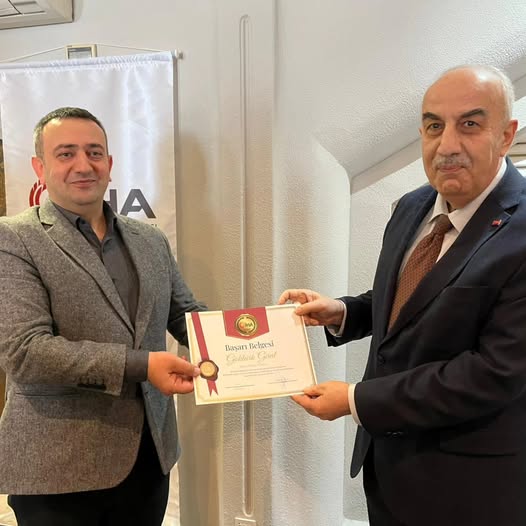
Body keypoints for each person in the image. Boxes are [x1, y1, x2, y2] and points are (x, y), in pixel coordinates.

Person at [279, 65, 526, 526]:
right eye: (433, 126)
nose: (446, 145)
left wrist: (355, 400)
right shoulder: (414, 205)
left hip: (471, 489)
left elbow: (494, 372)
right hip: (389, 474)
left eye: (469, 124)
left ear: (506, 134)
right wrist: (344, 311)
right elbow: (408, 300)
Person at [0, 107, 206, 525]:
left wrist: (262, 336)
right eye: (66, 153)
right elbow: (25, 352)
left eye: (94, 152)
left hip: (147, 458)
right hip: (58, 468)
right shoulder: (14, 238)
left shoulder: (149, 239)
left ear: (109, 164)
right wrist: (143, 365)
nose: (83, 165)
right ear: (39, 167)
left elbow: (186, 316)